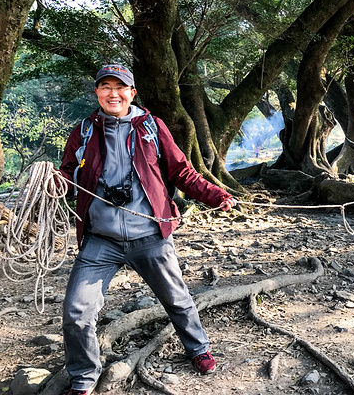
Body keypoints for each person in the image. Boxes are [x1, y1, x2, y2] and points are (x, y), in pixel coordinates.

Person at [59, 64, 237, 395]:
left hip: (150, 235)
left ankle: (198, 349)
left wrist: (215, 195)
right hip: (100, 239)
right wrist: (52, 182)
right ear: (97, 92)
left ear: (132, 93)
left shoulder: (151, 127)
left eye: (120, 87)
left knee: (178, 299)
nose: (113, 93)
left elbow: (182, 171)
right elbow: (67, 174)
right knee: (75, 311)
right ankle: (83, 378)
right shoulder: (83, 130)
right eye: (106, 87)